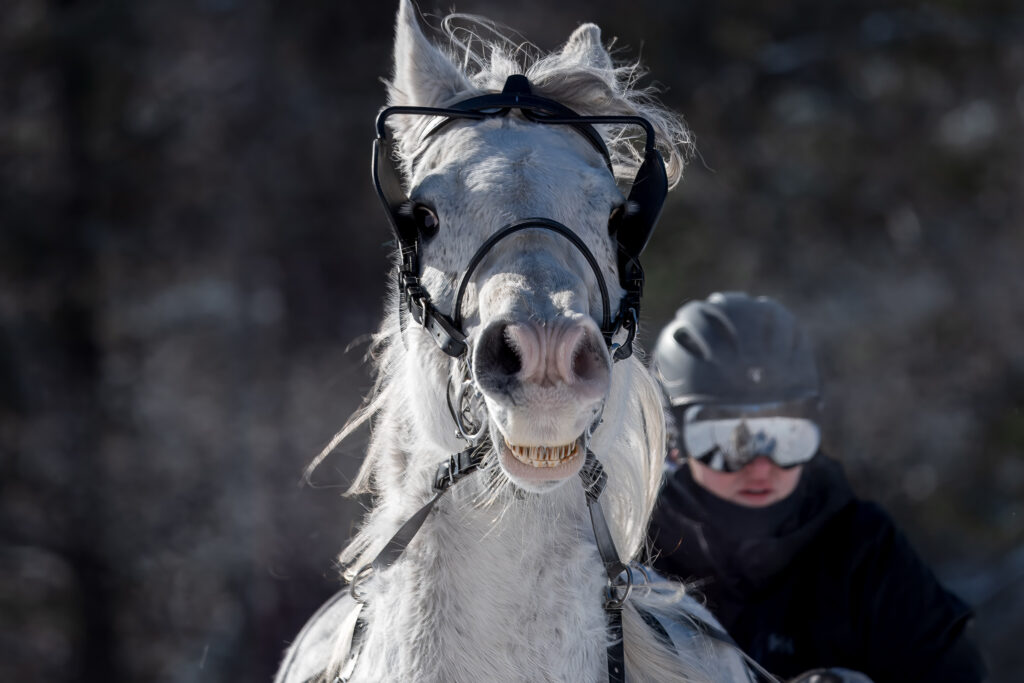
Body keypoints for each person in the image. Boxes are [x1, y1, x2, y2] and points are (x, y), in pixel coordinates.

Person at [646, 292, 986, 683]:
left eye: (786, 436)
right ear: (674, 441)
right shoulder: (636, 551)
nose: (760, 466)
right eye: (727, 441)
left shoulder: (859, 548)